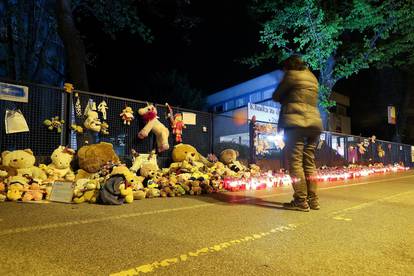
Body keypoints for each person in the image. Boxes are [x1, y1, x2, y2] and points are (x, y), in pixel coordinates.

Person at [272, 55, 323, 212]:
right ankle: (313, 200)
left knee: (295, 163)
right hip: (314, 124)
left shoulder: (291, 75)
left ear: (288, 66)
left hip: (296, 123)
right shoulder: (313, 77)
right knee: (309, 162)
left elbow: (276, 96)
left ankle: (300, 200)